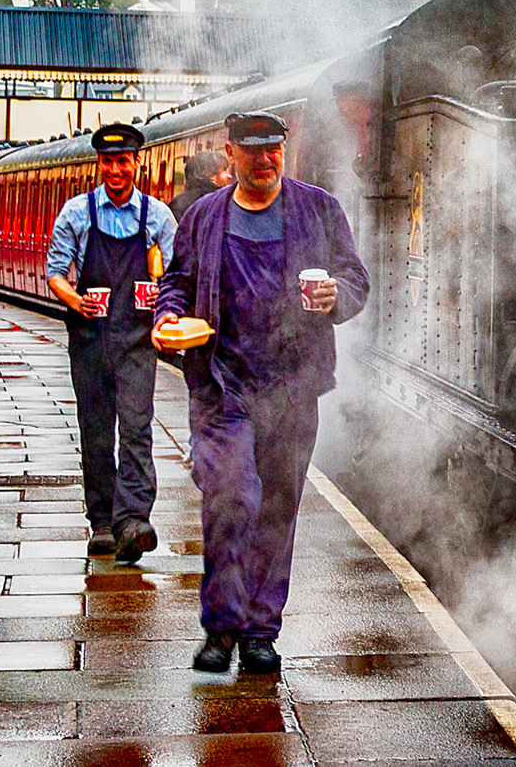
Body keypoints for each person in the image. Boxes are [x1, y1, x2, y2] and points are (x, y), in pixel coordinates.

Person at [153, 111, 369, 674]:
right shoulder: (203, 217)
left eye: (273, 150)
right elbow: (175, 281)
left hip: (293, 386)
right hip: (223, 385)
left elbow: (356, 281)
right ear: (231, 155)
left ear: (283, 151)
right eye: (252, 152)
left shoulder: (319, 209)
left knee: (277, 508)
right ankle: (221, 628)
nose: (264, 160)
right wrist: (169, 316)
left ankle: (259, 631)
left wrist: (335, 297)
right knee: (230, 495)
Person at [44, 122, 179, 563]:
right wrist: (74, 299)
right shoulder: (76, 213)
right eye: (108, 161)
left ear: (137, 163)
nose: (115, 169)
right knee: (97, 431)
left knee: (137, 427)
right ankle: (102, 521)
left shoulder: (157, 217)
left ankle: (134, 520)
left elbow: (175, 274)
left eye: (123, 161)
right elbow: (55, 272)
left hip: (138, 339)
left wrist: (165, 297)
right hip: (89, 339)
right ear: (98, 164)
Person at [170, 151, 232, 220]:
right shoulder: (220, 204)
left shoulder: (175, 204)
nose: (229, 176)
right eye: (224, 170)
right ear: (210, 174)